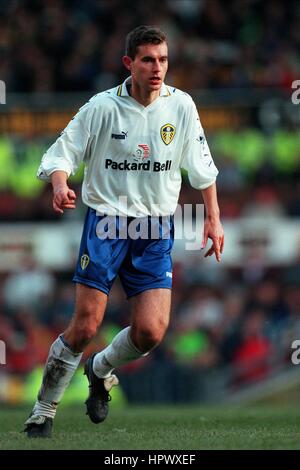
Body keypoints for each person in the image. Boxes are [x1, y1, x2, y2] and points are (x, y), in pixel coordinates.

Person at [24, 25, 224, 438]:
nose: (157, 68)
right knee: (84, 326)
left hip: (155, 228)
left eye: (163, 60)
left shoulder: (181, 106)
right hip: (107, 223)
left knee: (151, 331)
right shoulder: (101, 106)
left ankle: (100, 370)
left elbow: (202, 167)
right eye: (148, 60)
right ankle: (42, 412)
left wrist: (213, 217)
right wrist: (61, 183)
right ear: (128, 63)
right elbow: (63, 152)